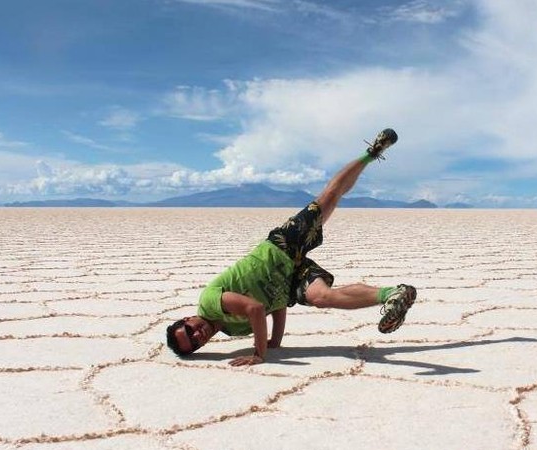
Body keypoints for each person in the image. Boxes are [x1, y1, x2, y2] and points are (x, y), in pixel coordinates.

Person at [166, 128, 417, 366]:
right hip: (291, 280)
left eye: (190, 330)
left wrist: (259, 353)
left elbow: (255, 308)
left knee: (329, 197)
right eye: (195, 342)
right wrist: (275, 340)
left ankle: (372, 152)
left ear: (188, 319)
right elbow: (274, 306)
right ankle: (393, 294)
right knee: (321, 298)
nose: (198, 334)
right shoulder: (232, 330)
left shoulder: (209, 303)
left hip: (279, 249)